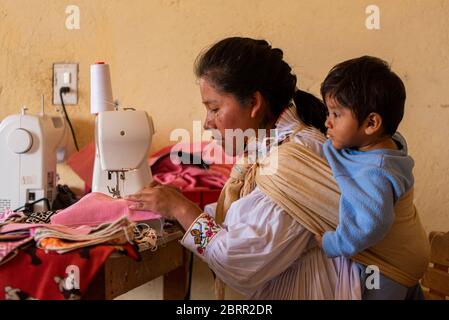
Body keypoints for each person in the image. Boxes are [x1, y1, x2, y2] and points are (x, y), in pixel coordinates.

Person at [125, 38, 421, 299]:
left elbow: (239, 262)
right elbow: (248, 216)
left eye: (215, 108)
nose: (207, 122)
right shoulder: (267, 149)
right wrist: (180, 208)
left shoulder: (291, 160)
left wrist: (182, 211)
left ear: (254, 102)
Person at [317, 56, 430, 299]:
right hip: (407, 256)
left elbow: (371, 224)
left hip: (389, 268)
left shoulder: (376, 172)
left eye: (336, 114)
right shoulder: (383, 148)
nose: (327, 121)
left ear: (371, 123)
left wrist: (332, 243)